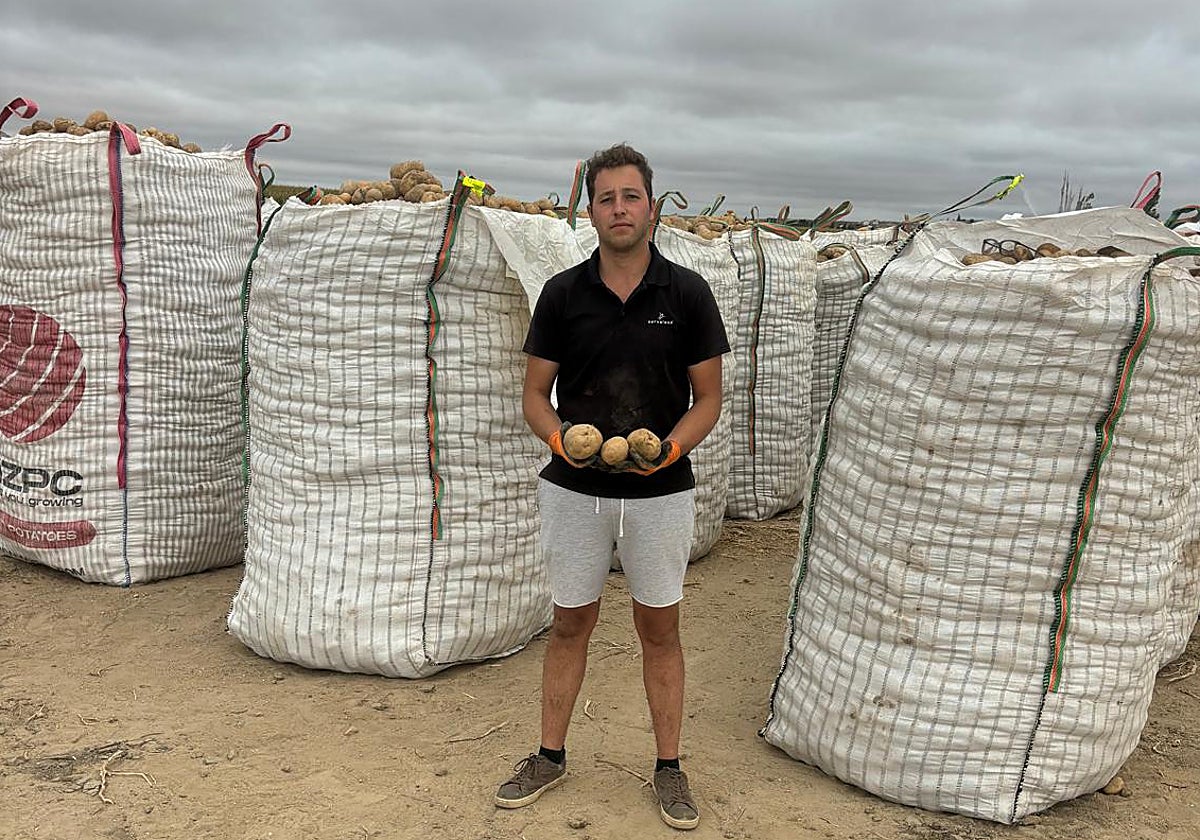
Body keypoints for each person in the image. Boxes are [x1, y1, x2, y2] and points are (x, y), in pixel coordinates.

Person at [494, 143, 729, 831]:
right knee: (570, 622)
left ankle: (669, 768)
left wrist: (673, 449)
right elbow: (536, 395)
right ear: (591, 210)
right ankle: (549, 755)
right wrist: (560, 438)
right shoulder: (563, 294)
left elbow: (708, 397)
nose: (619, 209)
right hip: (574, 488)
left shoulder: (686, 292)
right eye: (606, 198)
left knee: (660, 627)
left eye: (631, 197)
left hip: (663, 488)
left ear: (651, 207)